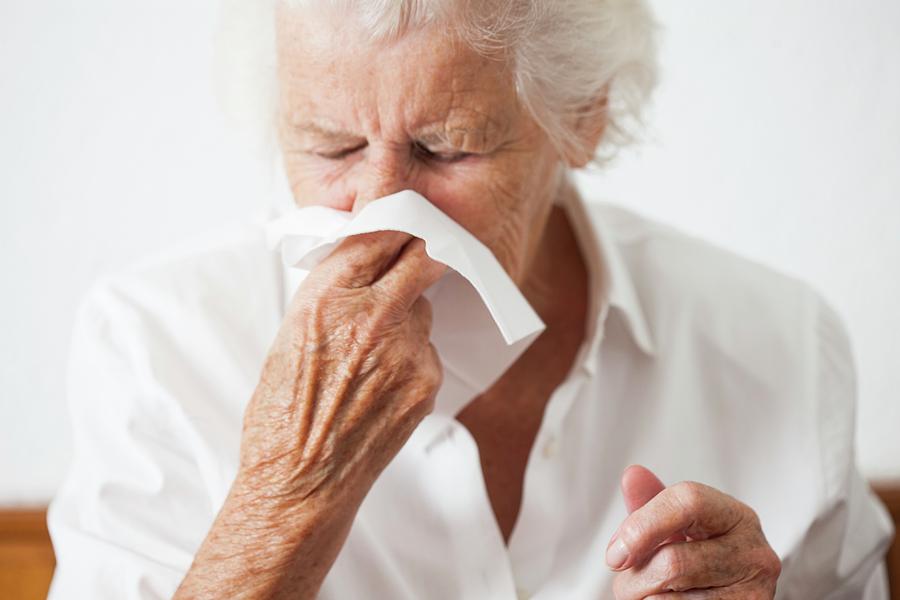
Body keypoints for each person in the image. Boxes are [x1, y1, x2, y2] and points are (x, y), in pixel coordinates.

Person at [48, 1, 893, 598]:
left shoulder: (780, 342)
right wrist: (289, 497)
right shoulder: (154, 343)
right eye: (332, 144)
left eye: (444, 149)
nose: (382, 209)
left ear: (582, 118)